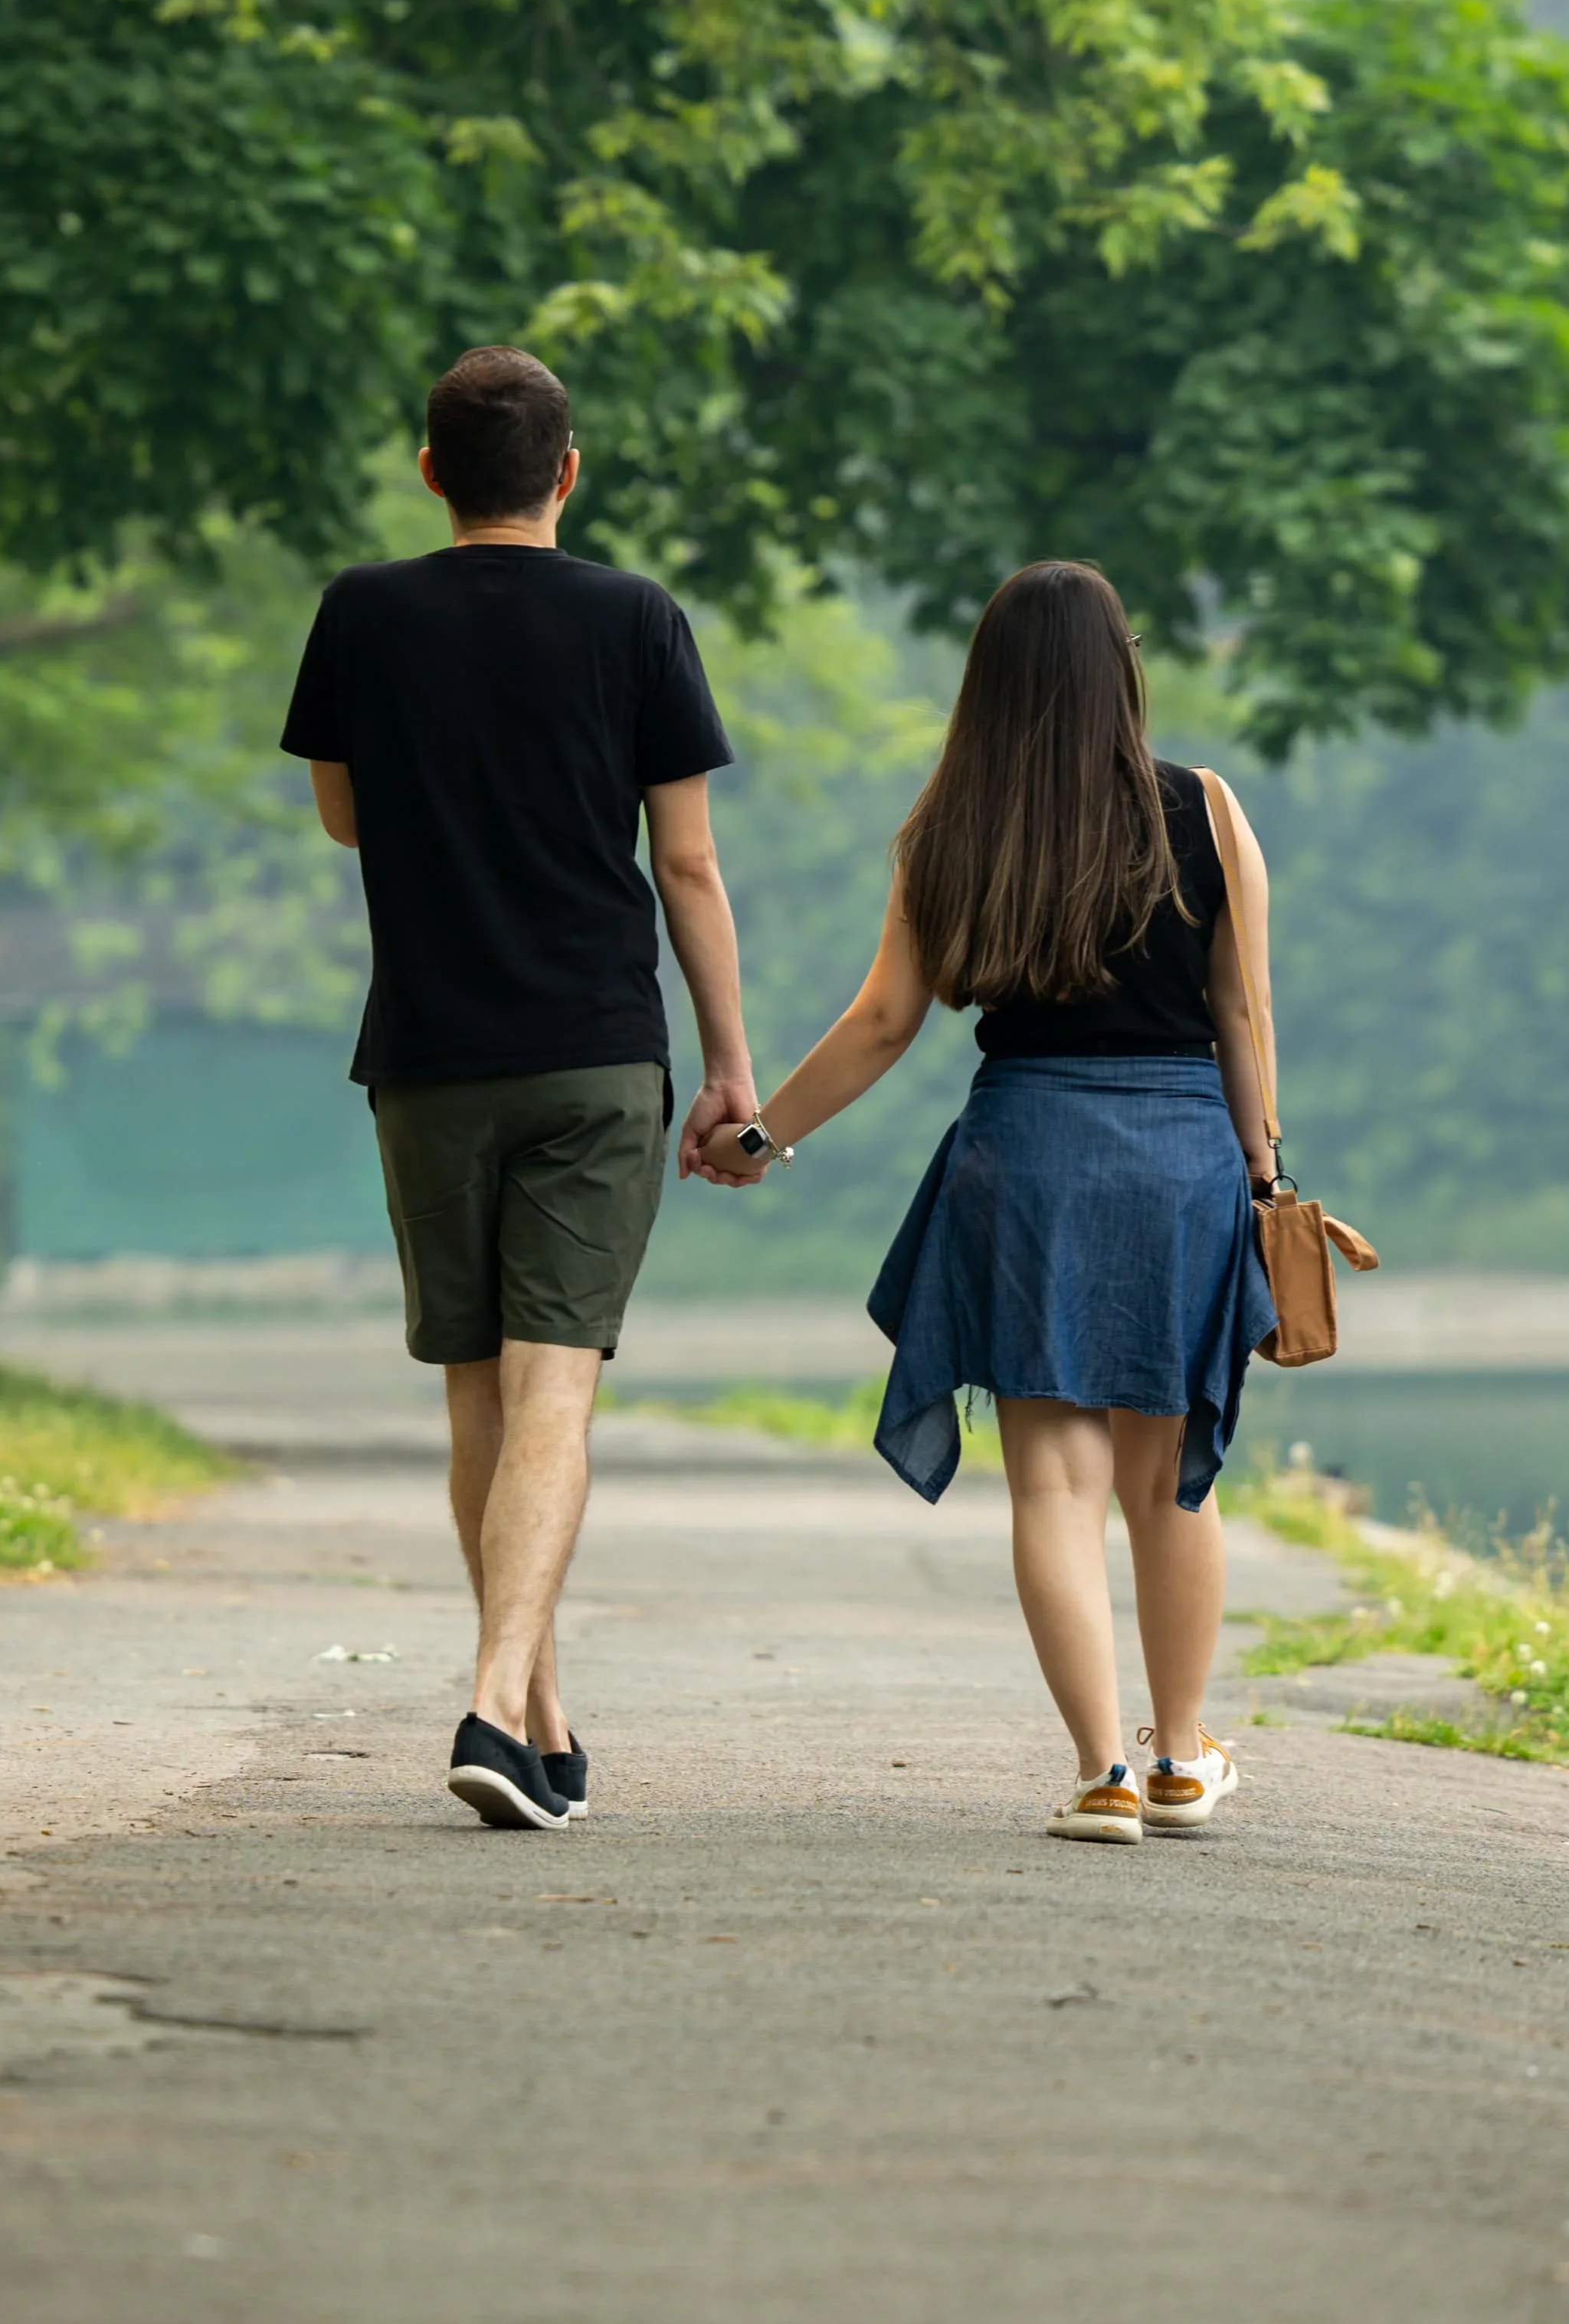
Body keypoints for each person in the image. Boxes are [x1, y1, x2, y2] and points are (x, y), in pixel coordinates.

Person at [709, 560, 1283, 1844]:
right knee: (1168, 1486)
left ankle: (1101, 1774)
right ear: (1121, 670)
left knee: (1053, 1491)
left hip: (1028, 1156)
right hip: (1181, 1158)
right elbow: (1241, 1011)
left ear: (989, 686)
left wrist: (759, 1137)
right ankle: (1183, 1759)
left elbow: (880, 1026)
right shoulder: (1208, 808)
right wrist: (1264, 1175)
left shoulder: (949, 831)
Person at [280, 347, 758, 1831]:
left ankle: (537, 1717)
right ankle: (502, 1701)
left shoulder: (362, 613)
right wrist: (733, 1062)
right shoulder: (636, 619)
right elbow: (684, 860)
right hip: (596, 1052)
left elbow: (348, 819)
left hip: (427, 1053)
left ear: (430, 469)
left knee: (479, 1390)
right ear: (568, 470)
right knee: (560, 1383)